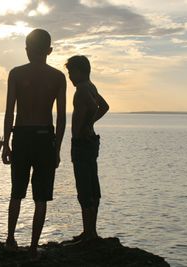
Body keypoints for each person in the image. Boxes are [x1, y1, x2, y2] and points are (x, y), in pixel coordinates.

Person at [2, 29, 66, 257]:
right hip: (44, 137)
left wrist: (6, 143)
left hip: (22, 135)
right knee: (41, 197)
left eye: (28, 49)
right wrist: (56, 148)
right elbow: (61, 118)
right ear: (49, 50)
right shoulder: (58, 77)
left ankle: (10, 239)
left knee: (16, 192)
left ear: (28, 50)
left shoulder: (16, 74)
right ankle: (32, 247)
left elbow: (10, 111)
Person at [65, 55, 109, 242]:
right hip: (91, 142)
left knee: (84, 188)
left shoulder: (82, 89)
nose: (69, 77)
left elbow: (93, 107)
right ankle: (91, 232)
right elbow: (104, 107)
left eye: (71, 72)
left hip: (82, 144)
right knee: (92, 186)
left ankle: (89, 234)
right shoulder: (91, 87)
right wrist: (90, 124)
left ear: (80, 71)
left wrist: (84, 127)